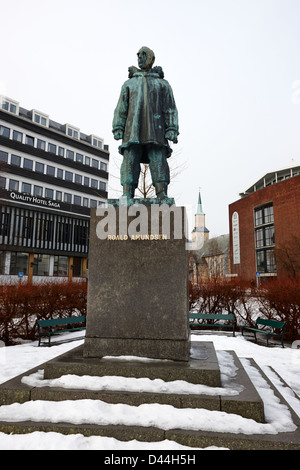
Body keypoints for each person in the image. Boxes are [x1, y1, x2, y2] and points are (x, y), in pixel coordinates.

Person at [112, 47, 179, 200]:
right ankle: (127, 192)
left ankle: (161, 192)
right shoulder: (129, 84)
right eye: (138, 56)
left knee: (158, 158)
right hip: (132, 130)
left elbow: (170, 107)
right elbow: (121, 107)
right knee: (130, 157)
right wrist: (118, 126)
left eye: (144, 55)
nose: (140, 58)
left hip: (156, 129)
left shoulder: (162, 84)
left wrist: (172, 128)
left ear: (151, 59)